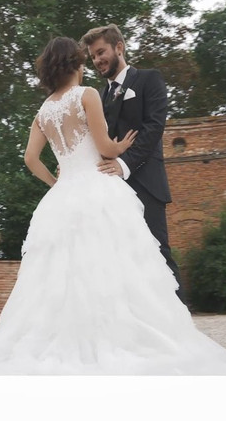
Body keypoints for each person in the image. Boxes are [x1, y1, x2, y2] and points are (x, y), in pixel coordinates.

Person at [0, 37, 226, 375]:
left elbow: (31, 158)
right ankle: (120, 336)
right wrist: (124, 144)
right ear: (74, 64)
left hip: (63, 195)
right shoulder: (87, 95)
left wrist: (56, 182)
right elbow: (106, 148)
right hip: (97, 188)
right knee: (115, 265)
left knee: (61, 274)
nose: (88, 63)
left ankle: (67, 340)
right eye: (84, 58)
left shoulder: (43, 111)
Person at [79, 24, 184, 301]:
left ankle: (181, 326)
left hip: (147, 183)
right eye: (92, 57)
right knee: (122, 259)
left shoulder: (149, 79)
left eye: (101, 52)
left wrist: (124, 164)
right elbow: (97, 141)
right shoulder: (98, 97)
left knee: (158, 253)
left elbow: (154, 127)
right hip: (111, 190)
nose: (97, 60)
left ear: (119, 48)